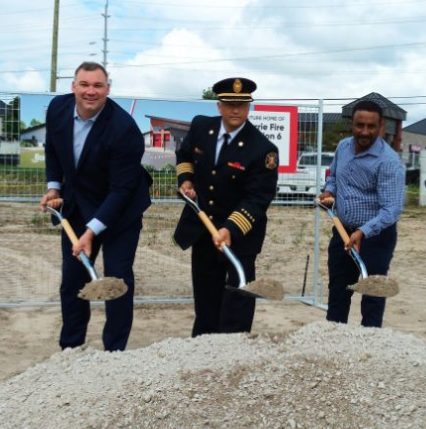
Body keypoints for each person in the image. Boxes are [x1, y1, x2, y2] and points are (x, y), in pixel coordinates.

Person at [38, 61, 152, 351]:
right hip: (77, 206)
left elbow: (121, 190)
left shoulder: (124, 130)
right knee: (73, 281)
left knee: (116, 281)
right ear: (73, 86)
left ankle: (114, 352)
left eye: (98, 86)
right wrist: (54, 187)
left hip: (121, 211)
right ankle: (71, 348)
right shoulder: (57, 110)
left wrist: (91, 233)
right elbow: (52, 148)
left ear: (108, 89)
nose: (91, 91)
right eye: (84, 85)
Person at [173, 77, 279, 337]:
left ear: (249, 108)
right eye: (229, 103)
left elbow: (258, 198)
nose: (235, 110)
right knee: (206, 299)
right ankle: (203, 349)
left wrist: (230, 228)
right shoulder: (201, 127)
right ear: (219, 105)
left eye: (241, 105)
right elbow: (184, 155)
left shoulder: (263, 149)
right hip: (204, 231)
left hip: (240, 237)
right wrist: (186, 179)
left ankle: (234, 353)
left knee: (237, 302)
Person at [317, 99, 405, 327]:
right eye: (359, 125)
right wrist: (328, 191)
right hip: (342, 232)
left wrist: (363, 232)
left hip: (376, 237)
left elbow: (392, 209)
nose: (364, 131)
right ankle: (334, 341)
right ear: (352, 124)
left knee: (373, 296)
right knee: (338, 290)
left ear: (381, 127)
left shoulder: (389, 162)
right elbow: (334, 177)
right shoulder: (343, 147)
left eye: (371, 126)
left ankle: (369, 348)